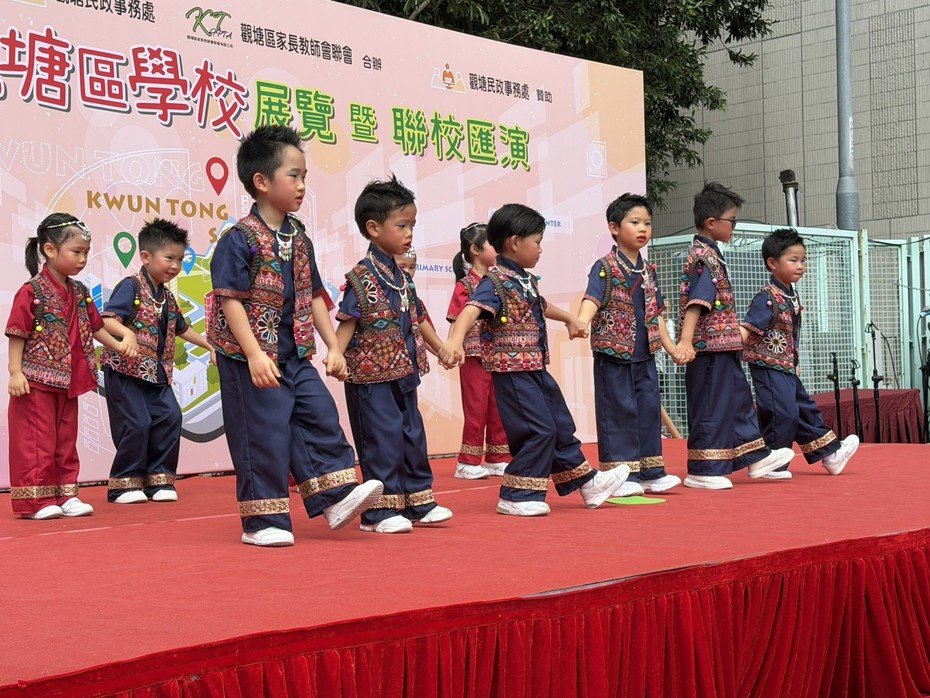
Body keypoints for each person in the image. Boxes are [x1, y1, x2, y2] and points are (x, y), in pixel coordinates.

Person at [208, 125, 382, 547]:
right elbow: (230, 301)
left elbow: (314, 295)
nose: (303, 185)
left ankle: (335, 498)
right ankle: (262, 521)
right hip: (249, 358)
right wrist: (254, 354)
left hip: (294, 354)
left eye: (304, 176)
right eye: (294, 176)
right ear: (261, 182)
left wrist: (334, 346)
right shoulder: (237, 240)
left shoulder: (298, 237)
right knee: (262, 434)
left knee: (319, 414)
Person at [440, 203, 628, 516]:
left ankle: (587, 482)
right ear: (515, 242)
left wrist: (570, 318)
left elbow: (541, 306)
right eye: (537, 242)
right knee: (538, 429)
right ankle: (517, 493)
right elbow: (470, 310)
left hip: (536, 368)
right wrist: (454, 341)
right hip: (512, 373)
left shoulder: (524, 280)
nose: (540, 249)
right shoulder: (496, 281)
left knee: (559, 423)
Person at [336, 174, 453, 534]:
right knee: (381, 439)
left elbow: (418, 317)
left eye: (412, 225)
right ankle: (379, 512)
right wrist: (336, 354)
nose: (409, 233)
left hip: (404, 373)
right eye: (402, 225)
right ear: (373, 228)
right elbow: (348, 320)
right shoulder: (361, 277)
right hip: (370, 378)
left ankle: (418, 500)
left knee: (411, 434)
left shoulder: (402, 277)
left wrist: (441, 348)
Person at [5, 214, 135, 519]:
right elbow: (17, 332)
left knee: (65, 440)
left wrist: (118, 345)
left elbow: (95, 327)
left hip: (68, 381)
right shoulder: (31, 291)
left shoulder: (80, 291)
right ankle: (36, 501)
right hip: (35, 382)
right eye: (76, 252)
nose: (82, 259)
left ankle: (65, 494)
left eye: (86, 253)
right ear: (50, 250)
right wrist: (15, 372)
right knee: (37, 441)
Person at [677, 183, 795, 489]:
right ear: (711, 222)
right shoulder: (704, 257)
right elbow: (697, 303)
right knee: (712, 406)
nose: (734, 226)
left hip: (724, 346)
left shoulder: (712, 255)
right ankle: (703, 469)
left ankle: (756, 456)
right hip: (708, 348)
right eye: (732, 220)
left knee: (740, 400)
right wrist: (686, 341)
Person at [101, 218, 215, 504]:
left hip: (158, 375)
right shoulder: (130, 287)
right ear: (146, 257)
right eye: (169, 258)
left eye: (180, 260)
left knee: (170, 417)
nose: (175, 266)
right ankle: (124, 484)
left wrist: (208, 345)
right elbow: (107, 320)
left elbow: (182, 328)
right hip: (126, 372)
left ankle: (159, 479)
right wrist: (126, 333)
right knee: (136, 423)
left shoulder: (167, 296)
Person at [577, 194, 684, 495]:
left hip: (645, 353)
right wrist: (582, 321)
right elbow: (592, 298)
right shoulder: (605, 266)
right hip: (613, 355)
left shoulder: (648, 270)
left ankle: (651, 471)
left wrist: (672, 347)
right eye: (635, 222)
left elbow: (656, 314)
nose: (643, 229)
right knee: (618, 411)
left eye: (647, 223)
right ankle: (620, 476)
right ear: (614, 228)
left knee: (648, 409)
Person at [741, 228, 859, 477]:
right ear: (772, 263)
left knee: (803, 408)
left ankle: (830, 454)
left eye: (803, 260)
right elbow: (748, 329)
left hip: (785, 366)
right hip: (767, 366)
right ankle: (773, 463)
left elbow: (790, 334)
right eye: (793, 260)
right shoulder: (767, 298)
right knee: (782, 412)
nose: (800, 265)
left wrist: (794, 361)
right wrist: (725, 348)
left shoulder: (790, 294)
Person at [445, 223, 509, 479]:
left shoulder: (499, 281)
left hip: (497, 355)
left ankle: (498, 458)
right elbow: (455, 319)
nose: (498, 247)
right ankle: (467, 462)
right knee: (476, 408)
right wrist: (452, 347)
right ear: (475, 249)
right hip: (473, 355)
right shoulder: (465, 285)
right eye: (493, 243)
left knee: (498, 407)